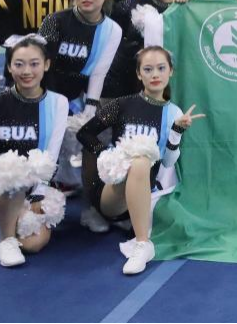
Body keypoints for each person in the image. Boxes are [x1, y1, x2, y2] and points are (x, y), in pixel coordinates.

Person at [78, 46, 204, 275]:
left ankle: (141, 240)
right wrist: (108, 154)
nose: (155, 74)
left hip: (145, 197)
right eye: (148, 69)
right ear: (138, 74)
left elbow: (168, 162)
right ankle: (142, 243)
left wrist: (176, 132)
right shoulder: (122, 104)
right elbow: (85, 133)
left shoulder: (174, 112)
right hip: (112, 195)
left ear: (171, 71)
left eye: (161, 68)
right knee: (139, 161)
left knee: (143, 162)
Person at [0, 36, 69, 267]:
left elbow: (52, 156)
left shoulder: (58, 103)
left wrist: (37, 192)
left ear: (46, 65)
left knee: (33, 244)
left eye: (34, 64)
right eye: (19, 64)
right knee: (14, 176)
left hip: (37, 186)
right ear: (9, 67)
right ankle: (6, 240)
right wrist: (12, 166)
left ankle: (13, 216)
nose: (26, 71)